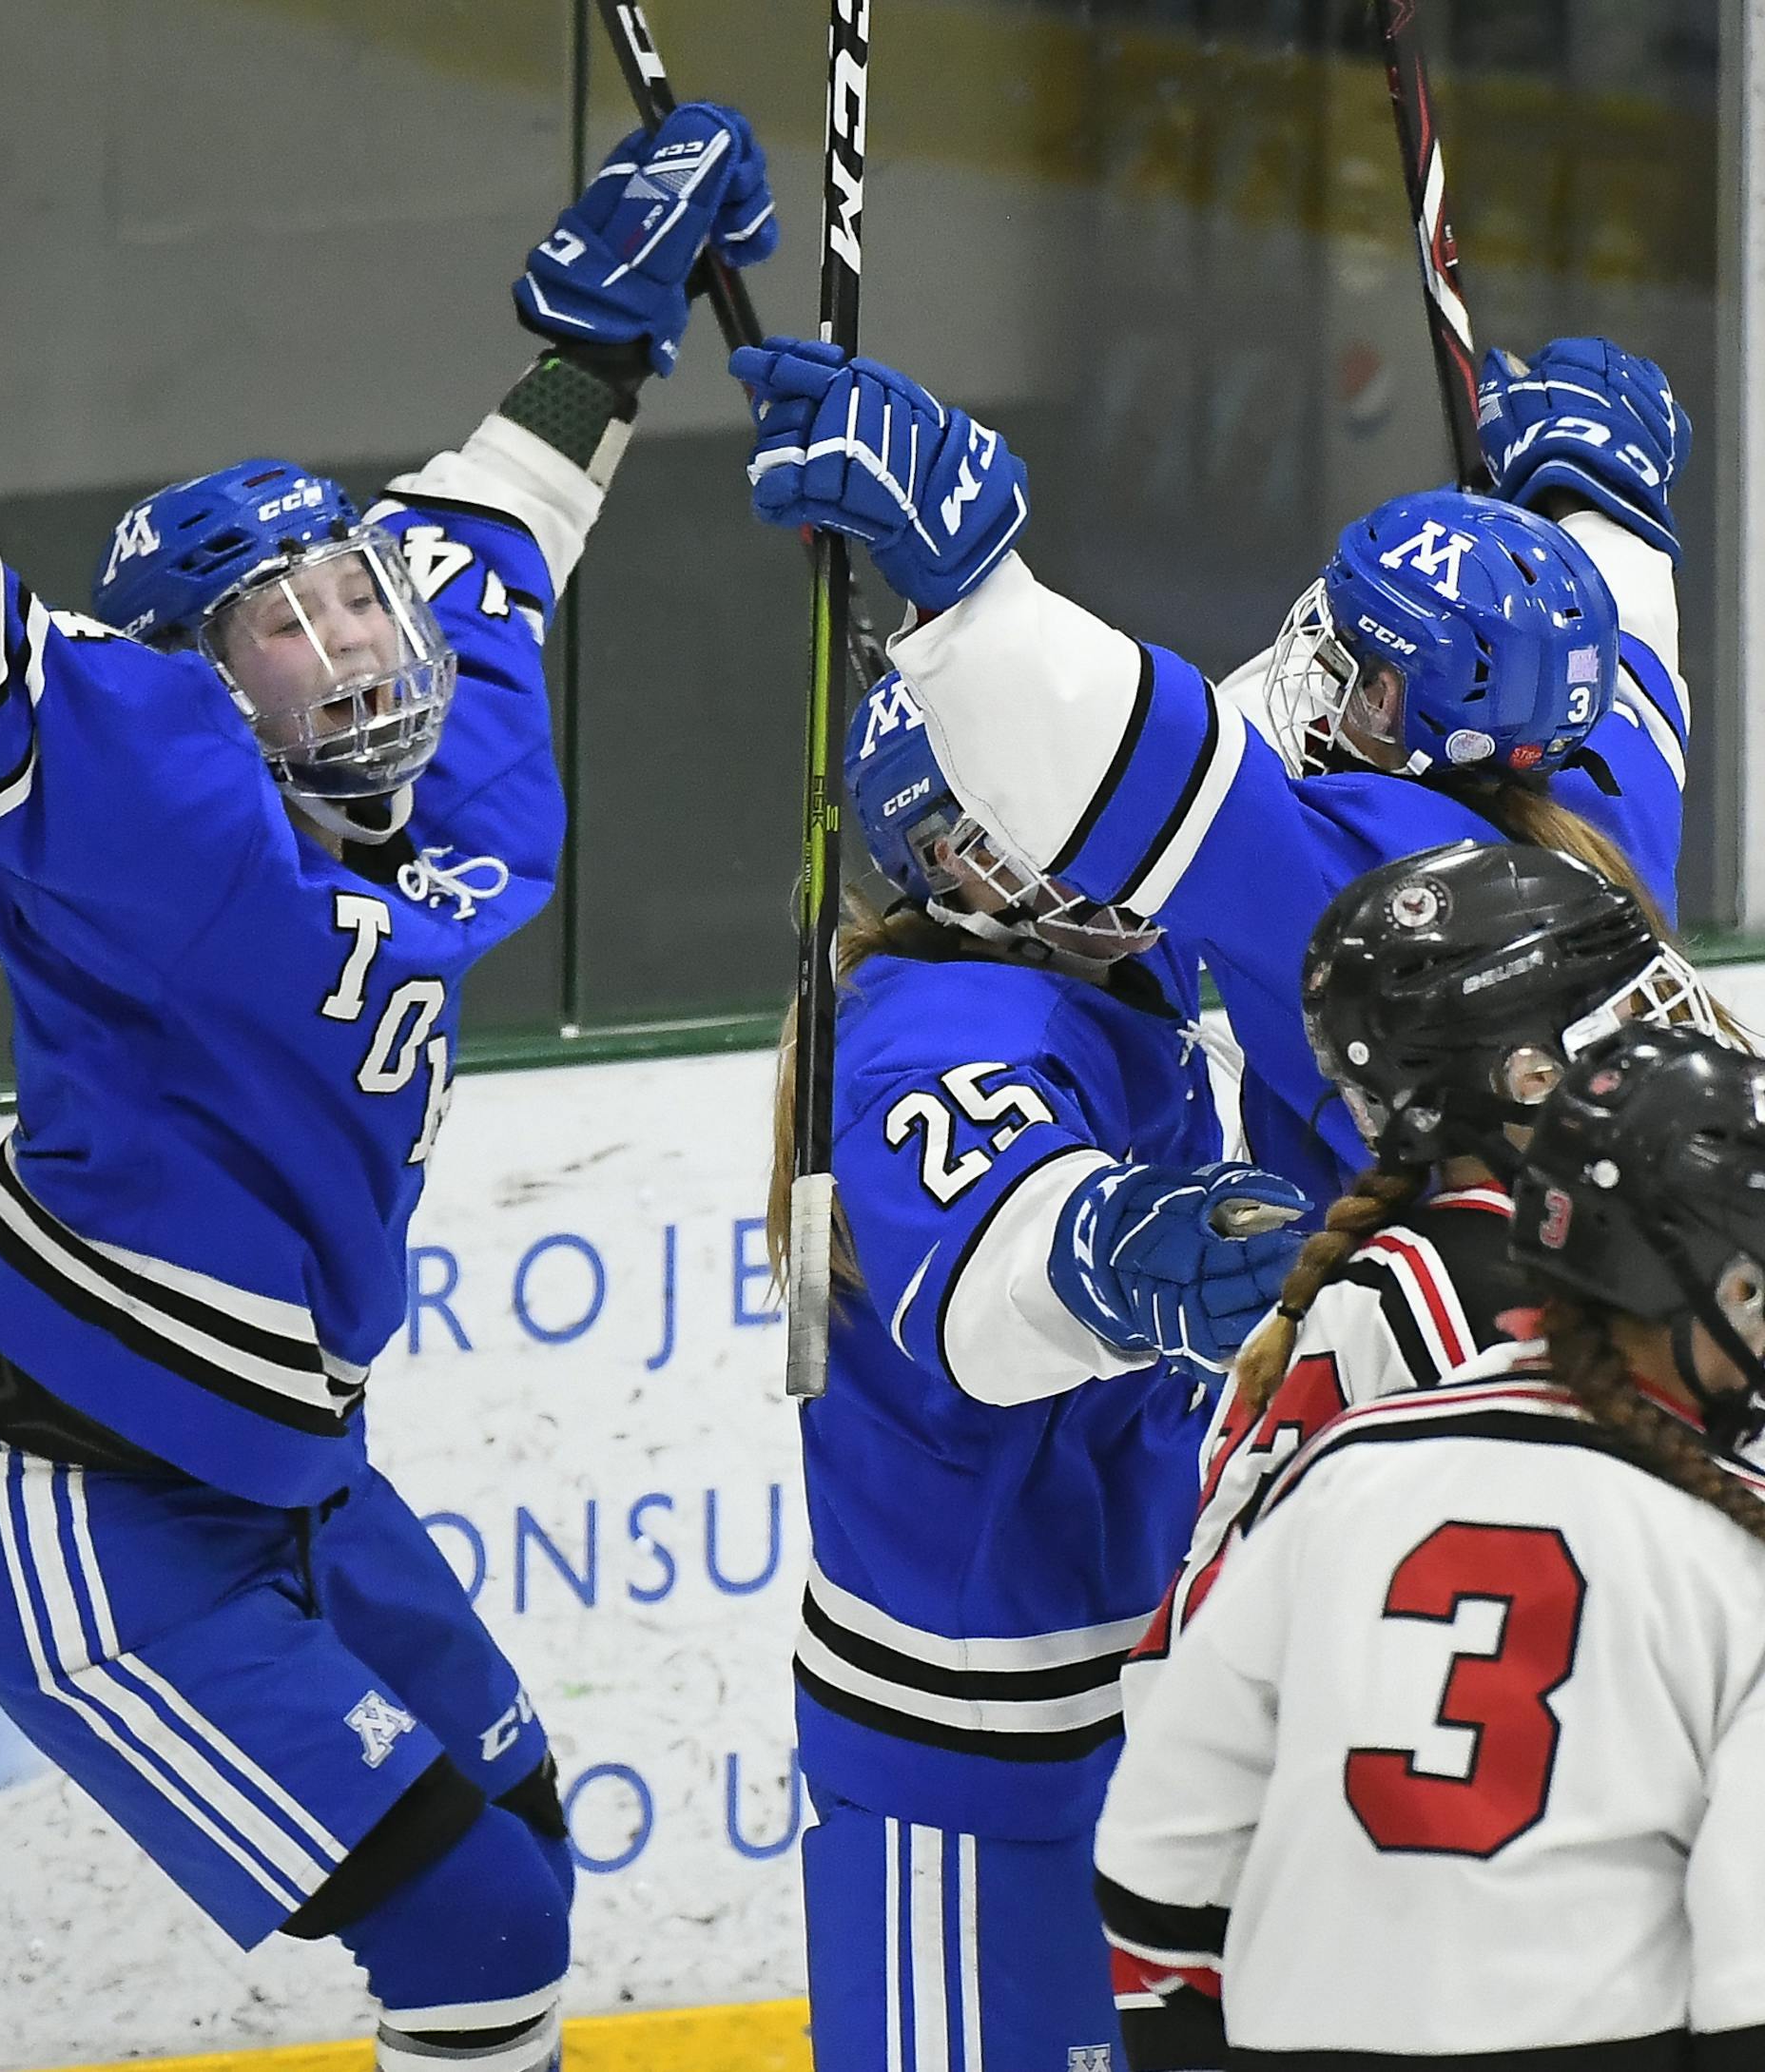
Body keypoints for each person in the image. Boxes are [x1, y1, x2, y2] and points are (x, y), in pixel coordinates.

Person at [0, 120, 774, 2072]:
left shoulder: (447, 740)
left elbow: (503, 512)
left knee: (523, 1846)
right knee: (468, 1927)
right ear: (204, 690)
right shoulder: (162, 812)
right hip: (98, 1515)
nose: (346, 643)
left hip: (304, 1483)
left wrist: (614, 322)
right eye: (276, 630)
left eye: (349, 597)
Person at [732, 331, 1693, 1210]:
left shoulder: (1379, 900)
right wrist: (1592, 485)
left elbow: (1121, 750)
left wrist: (963, 580)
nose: (1310, 684)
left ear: (1400, 712)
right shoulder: (1608, 784)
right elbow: (1629, 625)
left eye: (1345, 670)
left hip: (1467, 1344)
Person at [771, 668, 1306, 2070]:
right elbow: (997, 1284)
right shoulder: (936, 1039)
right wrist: (1116, 1247)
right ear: (952, 849)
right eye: (1047, 795)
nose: (1101, 821)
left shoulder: (1123, 973)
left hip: (1124, 1691)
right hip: (967, 1756)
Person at [1093, 1024, 1765, 2068]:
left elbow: (1159, 1853)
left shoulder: (1349, 1465)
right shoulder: (1732, 1542)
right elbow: (1749, 1978)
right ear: (1685, 1285)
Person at [1125, 838, 1740, 1712]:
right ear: (1530, 1079)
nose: (1672, 1046)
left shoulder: (1454, 1264)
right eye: (1624, 1028)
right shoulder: (1444, 1292)